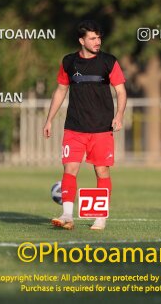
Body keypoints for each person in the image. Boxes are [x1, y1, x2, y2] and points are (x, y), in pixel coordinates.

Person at [43, 20, 127, 230]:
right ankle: (67, 216)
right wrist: (49, 119)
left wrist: (119, 116)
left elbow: (121, 91)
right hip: (74, 127)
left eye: (99, 37)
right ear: (82, 41)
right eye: (92, 38)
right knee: (69, 168)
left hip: (101, 128)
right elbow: (61, 90)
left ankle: (100, 217)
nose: (97, 41)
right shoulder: (69, 62)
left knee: (102, 172)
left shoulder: (109, 62)